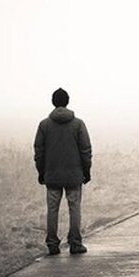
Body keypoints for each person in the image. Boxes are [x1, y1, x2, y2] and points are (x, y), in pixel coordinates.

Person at [33, 88, 92, 255]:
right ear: (67, 101)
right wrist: (86, 171)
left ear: (53, 102)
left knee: (52, 209)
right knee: (74, 208)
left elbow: (39, 151)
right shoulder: (78, 124)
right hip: (74, 175)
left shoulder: (44, 125)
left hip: (52, 174)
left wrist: (41, 171)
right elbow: (86, 150)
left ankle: (52, 244)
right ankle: (75, 243)